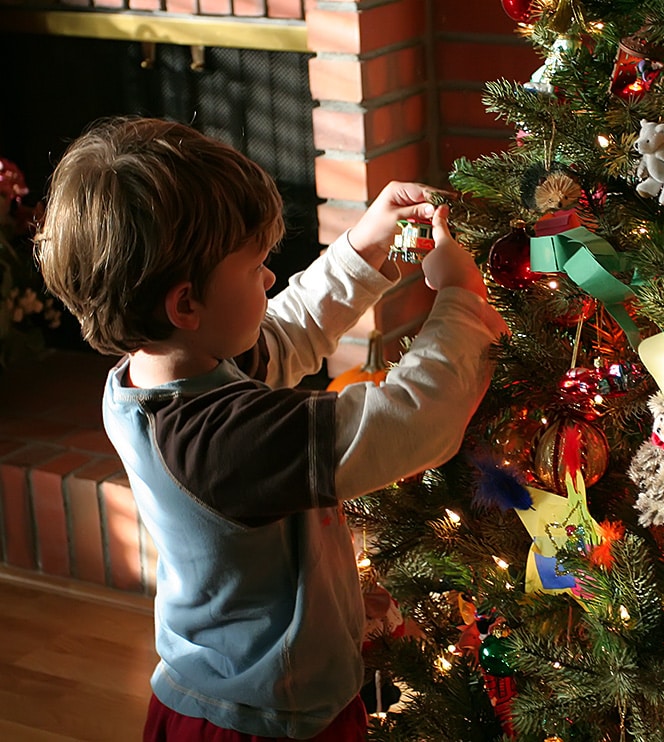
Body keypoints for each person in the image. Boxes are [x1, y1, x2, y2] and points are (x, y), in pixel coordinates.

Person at [34, 116, 507, 741]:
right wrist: (462, 301)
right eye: (256, 265)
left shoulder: (167, 370)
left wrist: (367, 249)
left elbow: (284, 332)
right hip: (263, 721)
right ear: (186, 304)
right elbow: (411, 421)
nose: (269, 278)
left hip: (247, 694)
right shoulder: (220, 441)